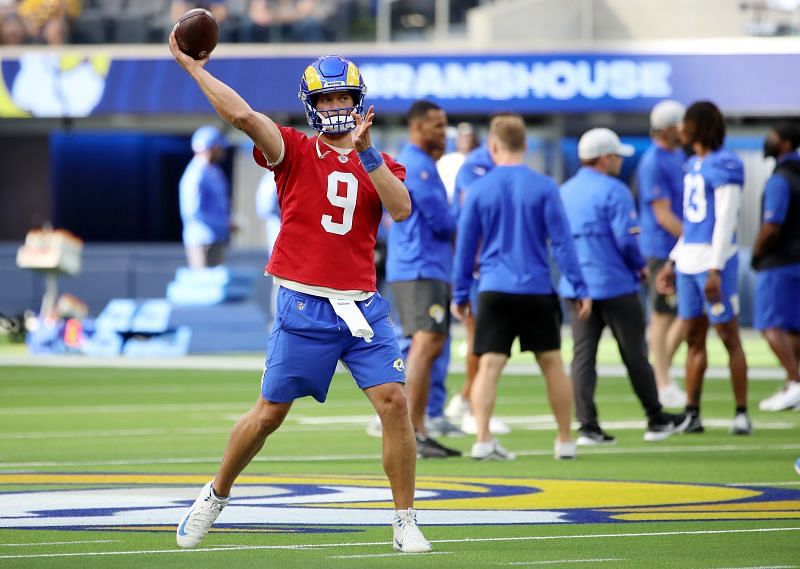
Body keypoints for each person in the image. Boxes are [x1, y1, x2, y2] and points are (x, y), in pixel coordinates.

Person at [168, 36, 432, 553]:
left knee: (395, 404)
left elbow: (401, 211)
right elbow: (243, 116)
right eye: (328, 99)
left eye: (343, 98)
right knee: (269, 414)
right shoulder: (291, 148)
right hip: (304, 302)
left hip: (361, 305)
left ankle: (404, 519)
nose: (337, 107)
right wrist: (191, 69)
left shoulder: (380, 160)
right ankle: (216, 495)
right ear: (314, 105)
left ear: (359, 103)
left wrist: (367, 153)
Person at [452, 113, 591, 461]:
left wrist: (459, 292)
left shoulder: (479, 189)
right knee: (552, 362)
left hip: (494, 288)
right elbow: (563, 243)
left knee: (489, 366)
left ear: (492, 146)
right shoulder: (544, 186)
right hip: (536, 288)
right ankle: (564, 442)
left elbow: (466, 247)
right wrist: (579, 285)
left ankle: (483, 439)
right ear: (525, 145)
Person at [560, 127, 690, 446]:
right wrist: (640, 266)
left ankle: (588, 425)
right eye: (617, 155)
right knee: (635, 354)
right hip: (615, 283)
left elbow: (559, 242)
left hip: (578, 288)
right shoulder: (615, 190)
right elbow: (625, 238)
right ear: (605, 158)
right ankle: (656, 418)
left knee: (582, 357)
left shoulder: (564, 191)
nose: (619, 161)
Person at [657, 101, 751, 435]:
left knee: (728, 336)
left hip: (715, 262)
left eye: (686, 122)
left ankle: (741, 412)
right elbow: (692, 223)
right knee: (694, 338)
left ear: (699, 126)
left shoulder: (726, 163)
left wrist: (715, 269)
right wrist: (673, 260)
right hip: (689, 261)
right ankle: (692, 413)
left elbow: (725, 219)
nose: (681, 128)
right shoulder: (693, 163)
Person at [386, 99, 461, 459]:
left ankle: (416, 429)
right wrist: (463, 206)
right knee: (426, 344)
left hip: (416, 267)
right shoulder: (420, 167)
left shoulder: (413, 162)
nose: (443, 133)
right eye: (437, 125)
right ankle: (412, 431)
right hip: (421, 267)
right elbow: (444, 223)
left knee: (425, 345)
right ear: (417, 126)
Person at [443, 142, 511, 437]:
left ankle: (465, 398)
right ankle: (472, 410)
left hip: (490, 265)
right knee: (481, 337)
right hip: (479, 266)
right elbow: (471, 218)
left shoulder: (492, 166)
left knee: (493, 342)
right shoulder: (475, 168)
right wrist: (474, 262)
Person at [637, 100, 688, 408]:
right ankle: (662, 381)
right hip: (661, 247)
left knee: (687, 314)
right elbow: (662, 213)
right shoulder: (654, 161)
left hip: (680, 246)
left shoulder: (678, 155)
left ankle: (662, 373)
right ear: (670, 129)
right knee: (661, 315)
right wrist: (693, 238)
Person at [753, 123, 800, 412]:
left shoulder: (780, 180)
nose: (767, 141)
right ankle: (792, 383)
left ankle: (795, 381)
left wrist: (757, 253)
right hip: (797, 261)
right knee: (793, 329)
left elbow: (771, 226)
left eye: (773, 137)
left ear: (784, 143)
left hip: (779, 261)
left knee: (770, 325)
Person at [179, 125, 232, 269]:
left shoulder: (214, 171)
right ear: (212, 147)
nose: (222, 151)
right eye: (219, 147)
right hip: (201, 240)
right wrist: (223, 224)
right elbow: (193, 211)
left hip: (216, 238)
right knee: (203, 286)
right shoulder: (196, 174)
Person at [437, 122, 479, 204]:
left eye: (468, 137)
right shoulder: (445, 160)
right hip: (448, 202)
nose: (465, 141)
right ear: (457, 139)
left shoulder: (479, 159)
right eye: (462, 137)